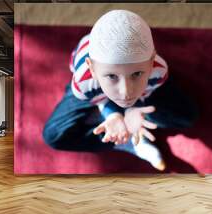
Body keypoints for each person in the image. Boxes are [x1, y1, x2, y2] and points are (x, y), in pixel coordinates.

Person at [43, 9, 198, 171]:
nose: (126, 92)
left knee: (187, 116)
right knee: (53, 136)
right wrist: (112, 114)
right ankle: (128, 141)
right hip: (95, 89)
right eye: (111, 76)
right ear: (92, 69)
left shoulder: (159, 71)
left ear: (151, 62)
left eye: (137, 74)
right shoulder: (83, 84)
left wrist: (135, 110)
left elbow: (141, 94)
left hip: (140, 90)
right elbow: (102, 99)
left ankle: (121, 124)